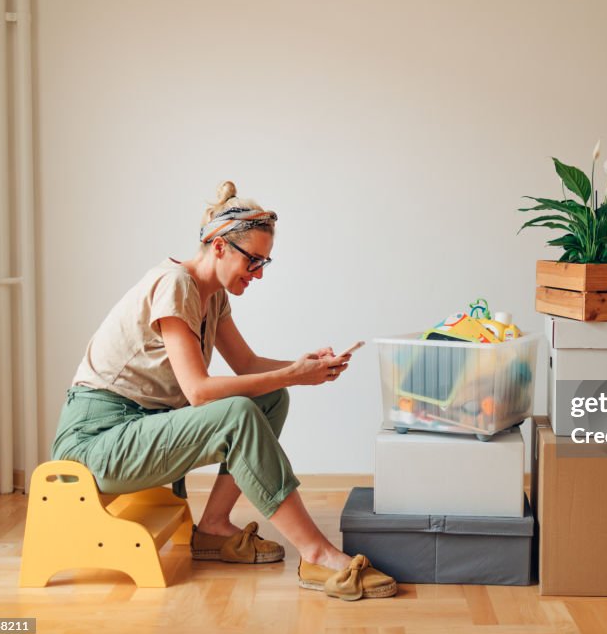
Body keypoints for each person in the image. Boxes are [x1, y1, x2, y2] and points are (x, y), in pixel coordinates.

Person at [51, 181, 395, 601]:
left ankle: (213, 527)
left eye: (265, 262)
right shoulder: (175, 283)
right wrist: (293, 374)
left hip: (139, 426)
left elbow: (247, 366)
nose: (259, 274)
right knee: (238, 413)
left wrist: (303, 368)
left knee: (268, 399)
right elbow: (198, 391)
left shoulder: (212, 298)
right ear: (218, 246)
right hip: (97, 442)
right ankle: (317, 553)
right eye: (253, 261)